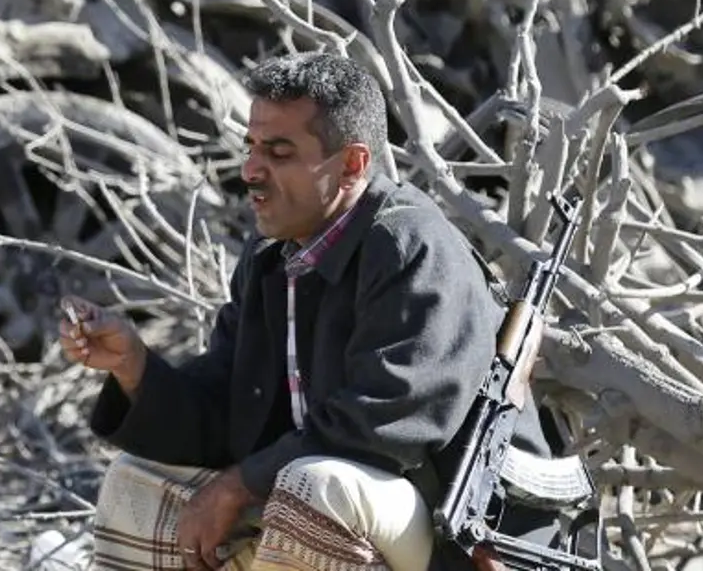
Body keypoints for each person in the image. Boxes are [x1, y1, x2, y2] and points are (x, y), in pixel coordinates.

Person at [58, 50, 551, 571]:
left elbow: (386, 427)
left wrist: (239, 485)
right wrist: (133, 367)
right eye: (251, 148)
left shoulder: (410, 246)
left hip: (458, 534)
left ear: (353, 164)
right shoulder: (273, 255)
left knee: (315, 486)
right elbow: (231, 409)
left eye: (279, 152)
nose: (251, 170)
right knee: (134, 480)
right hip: (340, 504)